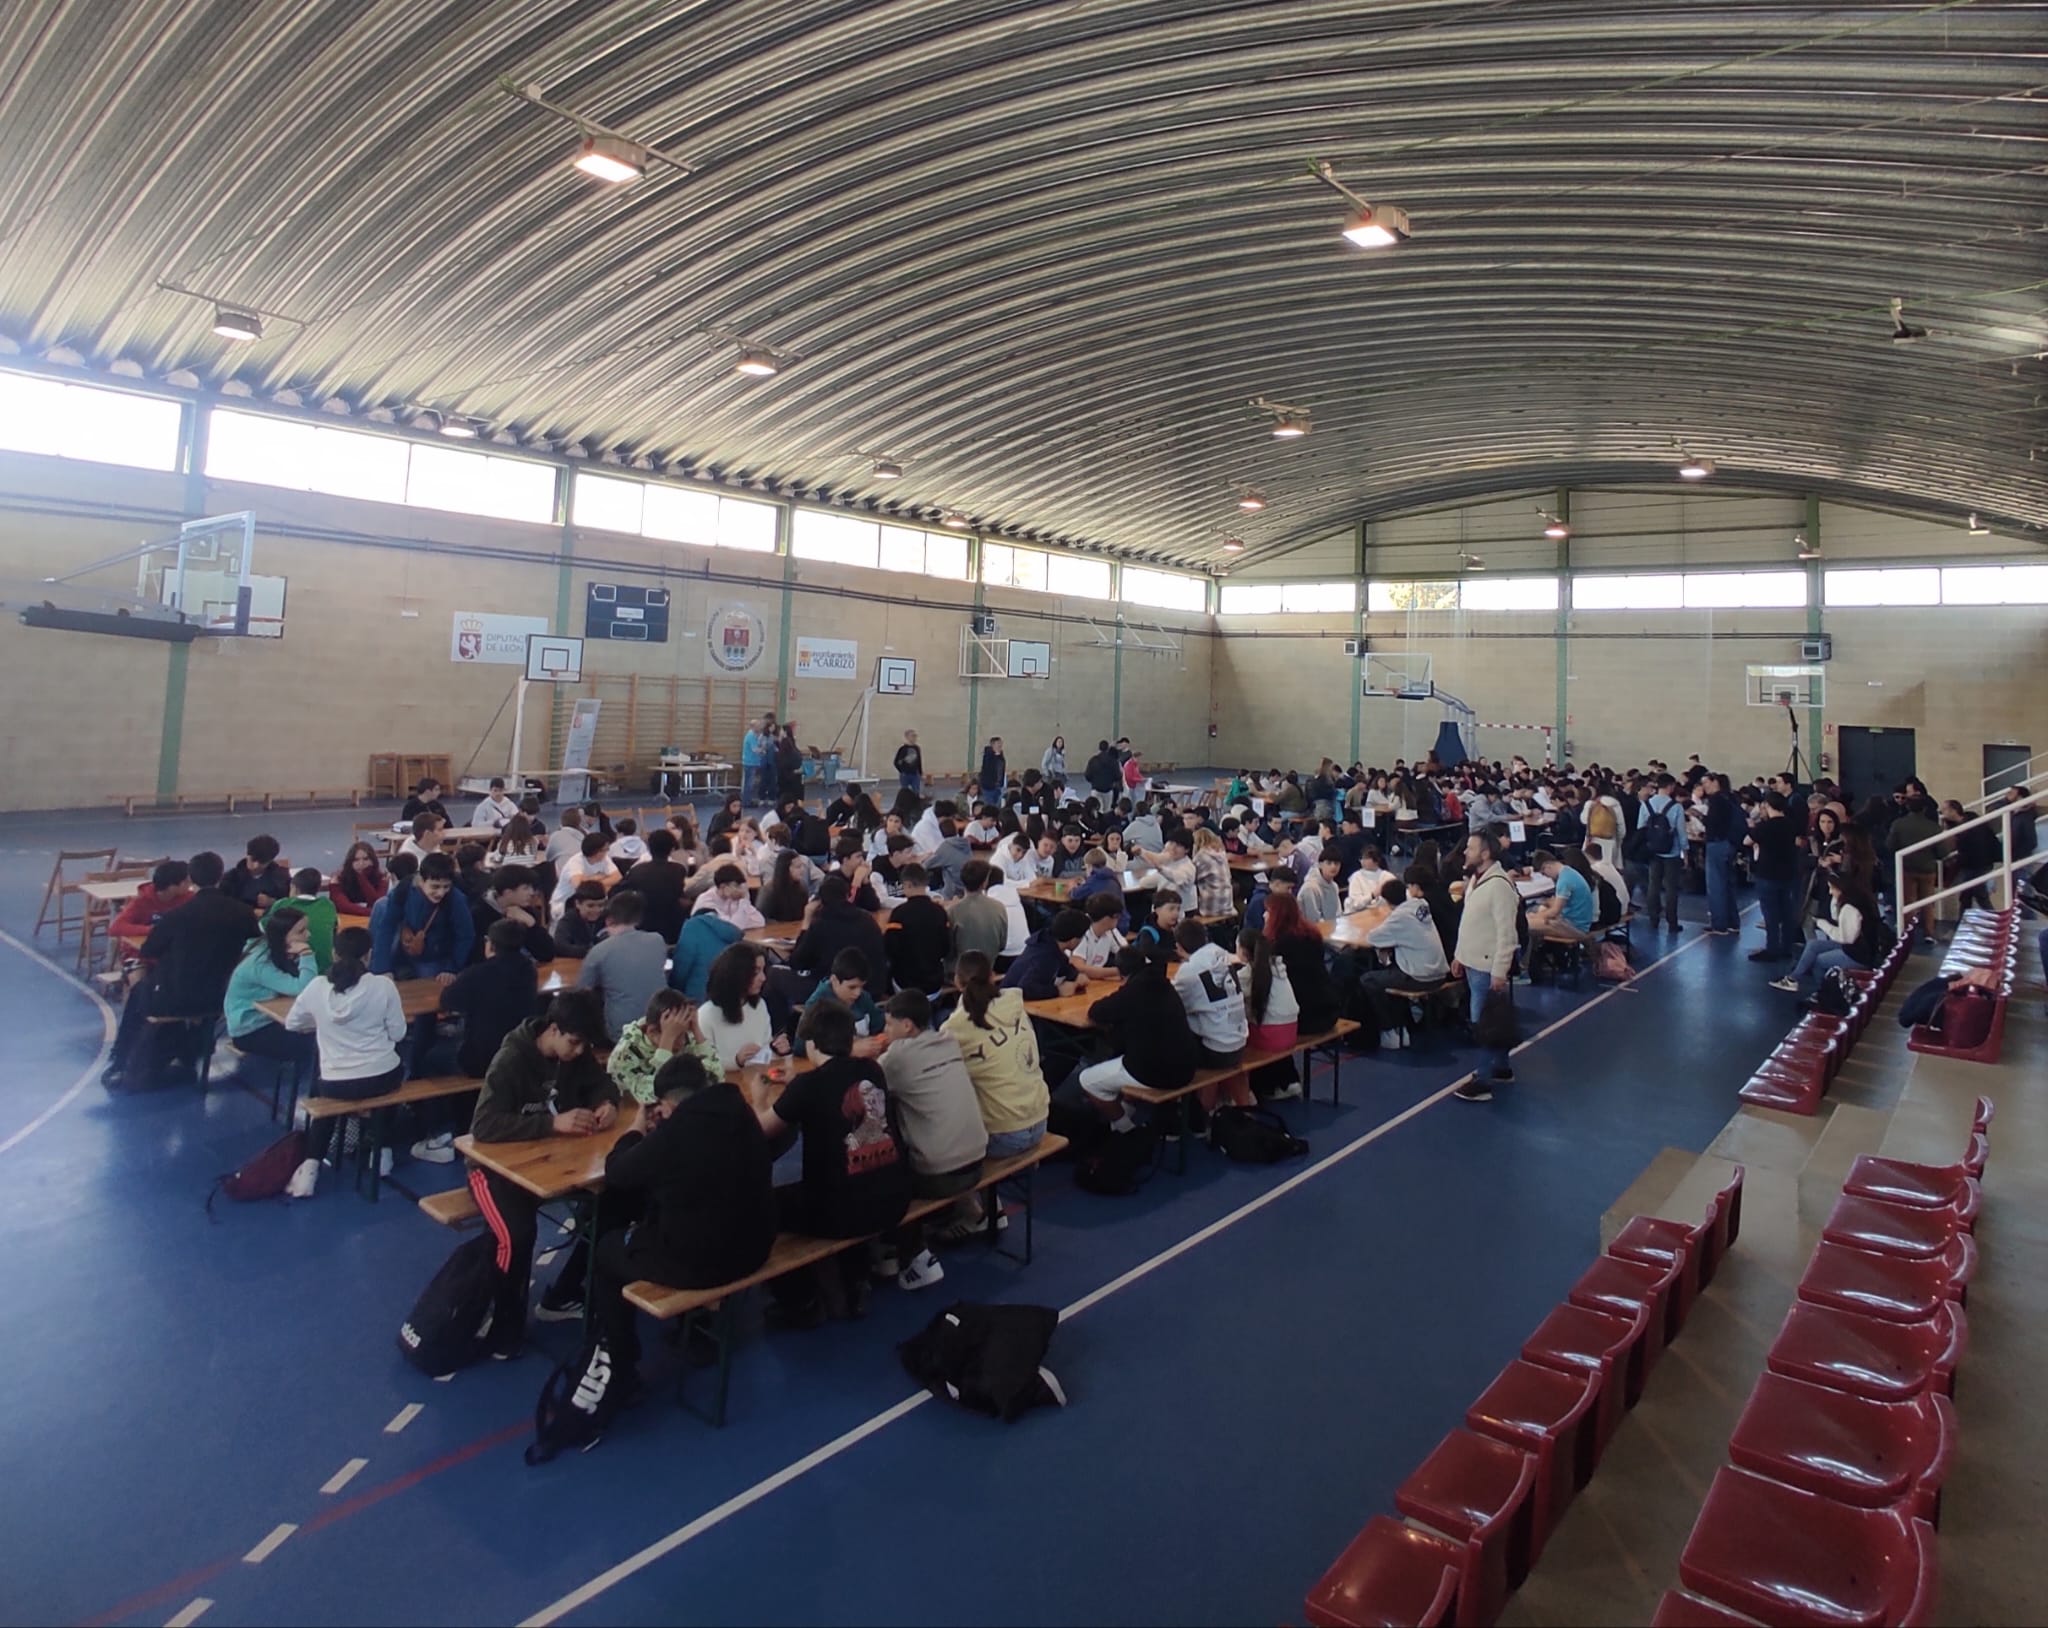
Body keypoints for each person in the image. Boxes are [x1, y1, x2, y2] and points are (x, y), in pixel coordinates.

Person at [590, 1052, 776, 1391]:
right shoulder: (741, 1111)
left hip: (703, 1265)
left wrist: (635, 1130)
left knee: (605, 1250)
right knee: (681, 1209)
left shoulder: (674, 1134)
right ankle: (696, 1328)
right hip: (755, 1246)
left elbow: (617, 1173)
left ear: (667, 1103)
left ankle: (621, 1367)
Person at [466, 990, 619, 1339]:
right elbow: (484, 1126)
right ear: (553, 1029)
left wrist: (607, 1103)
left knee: (609, 1207)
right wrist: (552, 1123)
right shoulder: (510, 1060)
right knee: (517, 1235)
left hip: (549, 1165)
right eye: (574, 1043)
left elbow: (602, 1083)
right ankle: (502, 1322)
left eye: (584, 1045)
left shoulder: (575, 1054)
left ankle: (562, 1294)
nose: (579, 1052)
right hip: (491, 1171)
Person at [756, 998, 912, 1324]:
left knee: (767, 1207)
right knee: (851, 1179)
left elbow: (762, 1129)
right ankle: (855, 1278)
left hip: (840, 1213)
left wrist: (759, 1098)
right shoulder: (872, 1070)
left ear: (811, 1044)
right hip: (896, 1198)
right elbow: (834, 1091)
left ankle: (800, 1299)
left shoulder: (808, 1086)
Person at [105, 850, 259, 1089]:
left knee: (139, 993)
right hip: (221, 995)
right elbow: (254, 943)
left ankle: (122, 1061)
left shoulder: (176, 916)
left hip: (176, 998)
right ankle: (188, 1052)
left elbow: (149, 950)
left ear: (191, 880)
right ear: (220, 876)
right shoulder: (242, 912)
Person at [877, 988, 987, 1287]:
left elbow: (866, 1082)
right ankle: (980, 1209)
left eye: (889, 1024)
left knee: (881, 1168)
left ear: (906, 1026)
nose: (885, 1031)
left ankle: (909, 1255)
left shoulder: (897, 1058)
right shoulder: (948, 1040)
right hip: (978, 1161)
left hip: (941, 1177)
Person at [941, 948, 1049, 1232]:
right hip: (1040, 1118)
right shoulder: (1015, 1003)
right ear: (992, 975)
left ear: (957, 982)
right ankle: (993, 1207)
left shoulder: (954, 1028)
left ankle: (977, 1214)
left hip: (1005, 1134)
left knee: (938, 1142)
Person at [1079, 938, 1199, 1128]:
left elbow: (1096, 1012)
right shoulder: (1165, 985)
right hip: (1187, 1066)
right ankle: (1127, 1112)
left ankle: (1126, 1130)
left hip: (1154, 1072)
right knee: (1129, 1056)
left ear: (1122, 973)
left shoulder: (1132, 991)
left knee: (1087, 1080)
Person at [1452, 830, 1522, 1101]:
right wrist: (1459, 955)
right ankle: (1502, 1068)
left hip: (1486, 966)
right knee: (1494, 1020)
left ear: (1485, 853)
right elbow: (1470, 922)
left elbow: (1507, 933)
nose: (1464, 852)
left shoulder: (1499, 886)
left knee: (1482, 1024)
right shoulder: (1477, 880)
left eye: (1470, 848)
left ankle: (1482, 1081)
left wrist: (1500, 970)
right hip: (1472, 961)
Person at [437, 916, 541, 1082]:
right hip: (519, 1053)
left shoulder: (478, 973)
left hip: (483, 1060)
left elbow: (447, 1000)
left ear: (491, 945)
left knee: (432, 1058)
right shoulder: (529, 970)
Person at [1354, 875, 1450, 1047]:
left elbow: (1372, 938)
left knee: (1369, 980)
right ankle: (1403, 1025)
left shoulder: (1399, 917)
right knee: (1390, 972)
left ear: (1386, 901)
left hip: (1420, 977)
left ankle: (1389, 1030)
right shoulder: (1420, 905)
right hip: (1440, 973)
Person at [223, 906, 318, 1079]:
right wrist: (306, 954)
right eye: (301, 931)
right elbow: (304, 988)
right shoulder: (260, 964)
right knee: (318, 1044)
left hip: (267, 1019)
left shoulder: (272, 949)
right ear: (283, 935)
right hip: (250, 1030)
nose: (308, 935)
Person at [1171, 919, 1250, 1109]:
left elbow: (1173, 1005)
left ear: (1179, 947)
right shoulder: (1220, 953)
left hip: (1216, 1052)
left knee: (1172, 1034)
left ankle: (1196, 1112)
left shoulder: (1188, 971)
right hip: (1240, 1041)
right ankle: (1238, 1102)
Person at [578, 889, 671, 1041]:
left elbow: (582, 992)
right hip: (662, 1025)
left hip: (622, 1031)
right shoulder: (658, 940)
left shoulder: (599, 951)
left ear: (608, 921)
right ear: (638, 920)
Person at [369, 850, 474, 981]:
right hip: (406, 948)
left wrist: (451, 968)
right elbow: (387, 926)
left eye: (446, 887)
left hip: (435, 957)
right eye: (435, 887)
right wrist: (381, 967)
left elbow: (466, 935)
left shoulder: (456, 900)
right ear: (421, 881)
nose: (441, 893)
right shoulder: (404, 889)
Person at [607, 987, 722, 1105]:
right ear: (652, 1032)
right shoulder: (625, 1052)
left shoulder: (683, 1033)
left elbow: (716, 1078)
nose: (683, 1042)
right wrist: (667, 1043)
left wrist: (696, 1030)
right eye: (677, 1036)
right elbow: (656, 1094)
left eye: (685, 1033)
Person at [1771, 876, 1883, 994]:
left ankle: (1824, 992)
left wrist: (1823, 924)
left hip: (1858, 955)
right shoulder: (1853, 903)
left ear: (1841, 890)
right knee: (1813, 945)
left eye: (1832, 888)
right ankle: (1793, 979)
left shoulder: (1849, 909)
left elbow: (1846, 938)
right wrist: (1835, 900)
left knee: (1819, 961)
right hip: (1856, 948)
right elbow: (1836, 918)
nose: (1830, 892)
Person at [699, 943, 793, 1072]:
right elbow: (704, 1065)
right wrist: (736, 1061)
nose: (763, 978)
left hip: (755, 1078)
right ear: (736, 974)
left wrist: (777, 1050)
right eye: (755, 972)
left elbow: (764, 1052)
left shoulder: (759, 1006)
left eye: (763, 970)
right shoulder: (706, 1015)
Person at [791, 871, 889, 992]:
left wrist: (806, 922)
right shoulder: (867, 918)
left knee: (776, 975)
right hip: (874, 988)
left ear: (821, 901)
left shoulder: (821, 924)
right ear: (847, 896)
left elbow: (797, 962)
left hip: (837, 992)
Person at [1746, 791, 1802, 962]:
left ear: (1767, 805)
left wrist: (1753, 828)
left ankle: (1772, 948)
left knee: (1770, 913)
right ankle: (1786, 947)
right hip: (1787, 872)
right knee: (1786, 911)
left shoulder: (1765, 826)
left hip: (1768, 872)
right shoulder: (1790, 824)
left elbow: (1747, 841)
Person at [800, 947, 888, 1048]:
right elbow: (801, 1045)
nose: (857, 993)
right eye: (852, 987)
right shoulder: (816, 1005)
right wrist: (851, 1049)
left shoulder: (864, 998)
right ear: (834, 980)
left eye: (862, 986)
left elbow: (879, 1025)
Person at [883, 862, 950, 993]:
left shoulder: (899, 914)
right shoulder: (940, 912)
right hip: (934, 984)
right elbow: (946, 948)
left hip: (906, 984)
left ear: (908, 884)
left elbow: (890, 949)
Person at [469, 865, 556, 964]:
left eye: (532, 887)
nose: (532, 893)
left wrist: (531, 924)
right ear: (508, 892)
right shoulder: (479, 914)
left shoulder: (524, 909)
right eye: (526, 888)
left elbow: (548, 954)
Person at [1635, 774, 1688, 931]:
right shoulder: (1676, 807)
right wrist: (1685, 853)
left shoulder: (1646, 805)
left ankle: (1653, 918)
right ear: (1670, 786)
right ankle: (1672, 922)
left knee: (1653, 885)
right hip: (1671, 852)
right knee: (1671, 888)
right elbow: (1682, 833)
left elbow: (1640, 828)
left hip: (1652, 851)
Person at [1003, 909, 1091, 1001]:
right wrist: (1058, 990)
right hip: (1009, 1003)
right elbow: (1025, 988)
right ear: (1073, 940)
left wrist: (1076, 975)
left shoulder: (1048, 941)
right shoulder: (1044, 956)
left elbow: (1063, 966)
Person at [1238, 927, 1298, 1052]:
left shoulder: (1247, 974)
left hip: (1269, 1035)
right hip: (1291, 1030)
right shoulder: (1278, 967)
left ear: (1243, 952)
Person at [109, 859, 193, 943]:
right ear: (172, 886)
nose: (190, 885)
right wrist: (153, 930)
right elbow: (116, 928)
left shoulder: (188, 897)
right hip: (143, 945)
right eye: (186, 882)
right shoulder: (141, 900)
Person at [949, 858, 1010, 967]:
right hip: (988, 965)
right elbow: (1002, 944)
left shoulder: (953, 910)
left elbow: (949, 949)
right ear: (984, 883)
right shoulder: (999, 907)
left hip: (959, 969)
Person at [1699, 772, 1740, 934]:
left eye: (1706, 783)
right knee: (1728, 884)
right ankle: (1733, 922)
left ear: (1714, 782)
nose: (1704, 787)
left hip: (1716, 843)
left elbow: (1713, 823)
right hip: (1729, 844)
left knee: (1716, 885)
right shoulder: (1730, 797)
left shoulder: (1715, 800)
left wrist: (1701, 817)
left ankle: (1719, 924)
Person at [1527, 850, 1595, 937]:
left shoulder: (1564, 881)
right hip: (1575, 922)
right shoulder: (1568, 872)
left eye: (1544, 873)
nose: (1546, 876)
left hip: (1574, 927)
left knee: (1526, 924)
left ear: (1547, 866)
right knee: (1533, 916)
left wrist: (1536, 916)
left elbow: (1555, 911)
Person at [550, 830, 619, 912]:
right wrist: (600, 877)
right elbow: (579, 886)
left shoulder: (604, 859)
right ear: (596, 851)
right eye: (605, 849)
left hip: (589, 901)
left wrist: (592, 881)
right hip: (564, 903)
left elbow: (617, 877)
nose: (607, 852)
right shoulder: (575, 862)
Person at [219, 834, 291, 912]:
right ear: (247, 855)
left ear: (270, 861)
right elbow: (223, 904)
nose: (255, 866)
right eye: (253, 860)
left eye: (262, 862)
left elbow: (292, 903)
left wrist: (273, 902)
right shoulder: (231, 878)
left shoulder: (282, 878)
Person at [329, 842, 387, 921]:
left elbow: (376, 903)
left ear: (373, 861)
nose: (361, 864)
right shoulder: (338, 879)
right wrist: (372, 912)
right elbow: (343, 906)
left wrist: (362, 878)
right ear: (350, 862)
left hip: (370, 921)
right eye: (356, 860)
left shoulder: (381, 878)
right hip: (346, 921)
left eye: (366, 859)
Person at [553, 880, 610, 956]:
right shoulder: (568, 920)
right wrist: (589, 951)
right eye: (590, 906)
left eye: (601, 905)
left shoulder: (608, 917)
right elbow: (560, 946)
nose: (596, 910)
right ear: (578, 904)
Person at [1073, 891, 1128, 969]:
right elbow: (1078, 967)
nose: (1119, 919)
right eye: (1118, 916)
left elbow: (1127, 955)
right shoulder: (1081, 930)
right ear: (1107, 919)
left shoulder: (1111, 931)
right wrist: (1115, 972)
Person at [758, 849, 812, 923]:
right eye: (798, 867)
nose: (802, 870)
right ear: (786, 869)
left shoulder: (802, 887)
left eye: (802, 866)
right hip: (776, 929)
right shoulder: (769, 891)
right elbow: (761, 917)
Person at [1298, 851, 1344, 926]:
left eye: (1336, 863)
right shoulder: (1310, 888)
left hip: (1330, 927)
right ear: (1320, 865)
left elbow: (1338, 913)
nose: (1333, 867)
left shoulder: (1334, 886)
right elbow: (1313, 919)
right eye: (1329, 863)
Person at [893, 729, 924, 798]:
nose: (914, 738)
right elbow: (896, 762)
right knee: (905, 793)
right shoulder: (903, 749)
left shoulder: (917, 748)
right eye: (912, 736)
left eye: (915, 736)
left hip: (915, 774)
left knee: (916, 792)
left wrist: (920, 772)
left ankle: (916, 803)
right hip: (905, 774)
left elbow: (919, 761)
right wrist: (902, 771)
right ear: (907, 737)